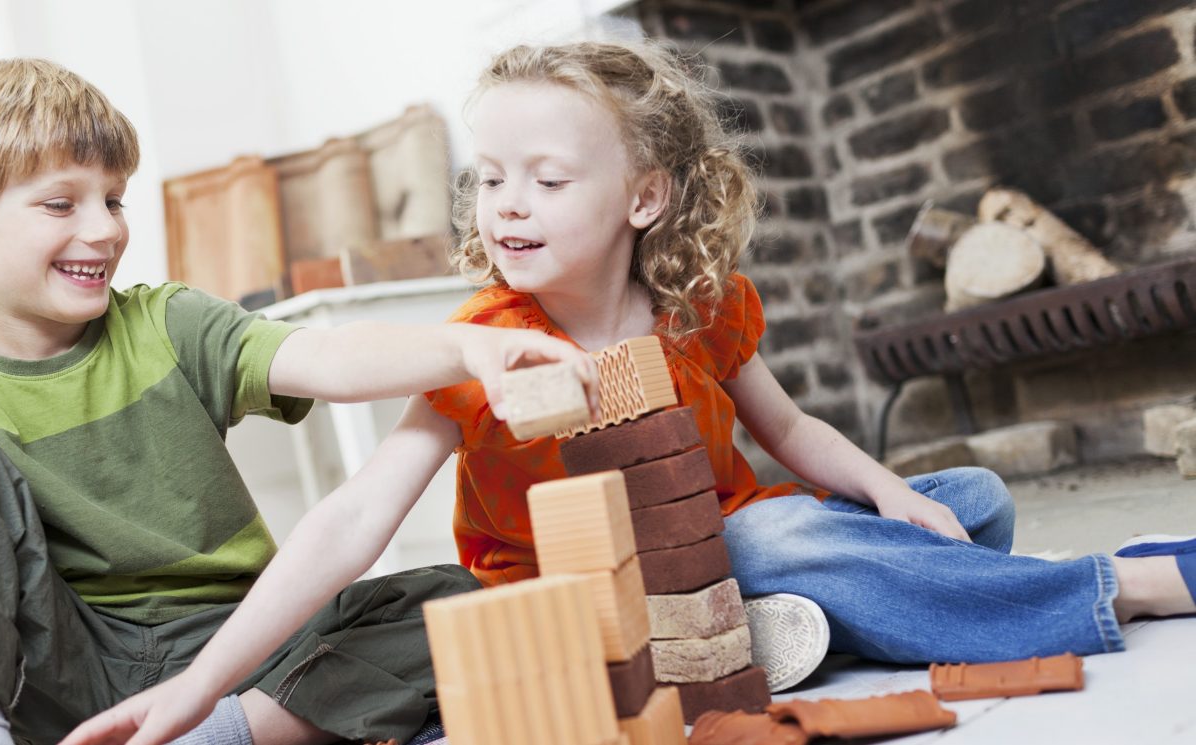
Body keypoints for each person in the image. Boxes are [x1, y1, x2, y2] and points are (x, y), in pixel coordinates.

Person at [66, 39, 1196, 744]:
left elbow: (790, 427)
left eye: (545, 179)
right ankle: (1121, 587)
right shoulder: (484, 346)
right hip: (588, 599)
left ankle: (816, 605)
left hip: (737, 537)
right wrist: (202, 690)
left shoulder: (700, 303)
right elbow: (352, 517)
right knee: (786, 541)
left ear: (644, 196)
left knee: (959, 496)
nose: (505, 204)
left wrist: (892, 491)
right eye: (490, 177)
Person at [0, 58, 598, 745]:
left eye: (112, 200)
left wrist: (464, 346)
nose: (104, 229)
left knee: (458, 605)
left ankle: (220, 735)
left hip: (238, 653)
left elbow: (322, 355)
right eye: (60, 203)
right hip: (62, 674)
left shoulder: (166, 323)